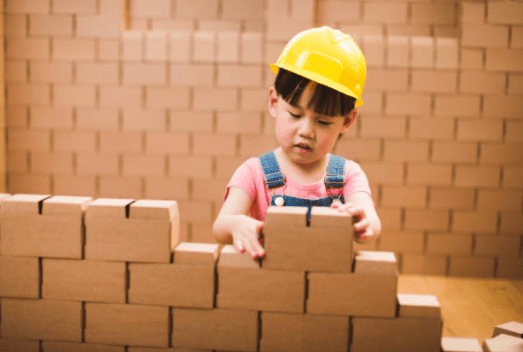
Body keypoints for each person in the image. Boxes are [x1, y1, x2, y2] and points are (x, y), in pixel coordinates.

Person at [213, 26, 381, 259]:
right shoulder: (253, 173)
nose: (306, 131)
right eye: (295, 115)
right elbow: (221, 224)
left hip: (325, 287)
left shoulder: (348, 176)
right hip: (272, 285)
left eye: (323, 121)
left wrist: (363, 221)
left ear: (347, 121)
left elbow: (371, 221)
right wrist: (236, 225)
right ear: (274, 102)